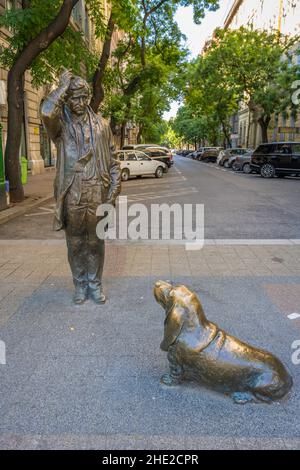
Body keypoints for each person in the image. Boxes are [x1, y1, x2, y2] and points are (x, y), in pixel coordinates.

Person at [41, 70, 121, 305]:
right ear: (67, 98)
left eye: (84, 97)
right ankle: (80, 284)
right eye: (75, 97)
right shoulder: (60, 126)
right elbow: (46, 113)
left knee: (96, 241)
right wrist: (62, 86)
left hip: (97, 189)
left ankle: (95, 285)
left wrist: (113, 193)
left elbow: (114, 163)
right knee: (75, 242)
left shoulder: (102, 126)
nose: (81, 102)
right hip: (72, 189)